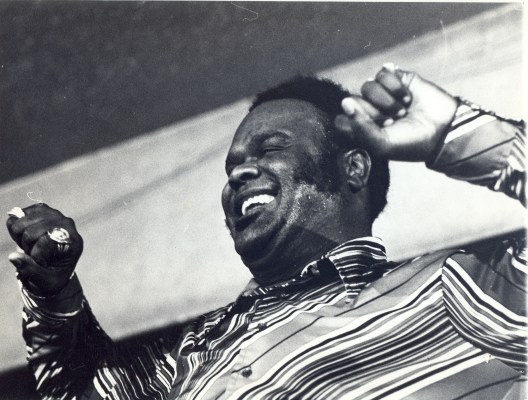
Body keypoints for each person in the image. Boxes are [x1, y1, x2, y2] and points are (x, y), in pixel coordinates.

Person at [6, 65, 526, 400]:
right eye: (231, 165)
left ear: (353, 169)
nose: (238, 173)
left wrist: (452, 132)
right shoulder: (192, 350)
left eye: (271, 148)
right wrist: (55, 292)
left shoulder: (451, 289)